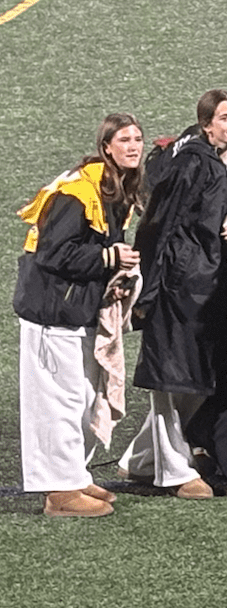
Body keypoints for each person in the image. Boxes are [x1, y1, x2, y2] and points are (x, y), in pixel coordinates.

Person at [123, 90, 227, 500]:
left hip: (212, 289)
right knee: (170, 380)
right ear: (206, 125)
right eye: (225, 117)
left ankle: (142, 461)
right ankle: (175, 471)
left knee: (195, 382)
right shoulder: (191, 164)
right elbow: (156, 227)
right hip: (176, 289)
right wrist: (146, 292)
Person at [14, 114, 144, 517]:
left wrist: (118, 274)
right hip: (53, 313)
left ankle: (73, 473)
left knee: (84, 398)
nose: (133, 147)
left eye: (137, 139)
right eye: (124, 140)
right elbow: (51, 253)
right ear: (106, 146)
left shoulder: (109, 189)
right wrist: (109, 257)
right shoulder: (75, 193)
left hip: (77, 310)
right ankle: (59, 493)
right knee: (60, 401)